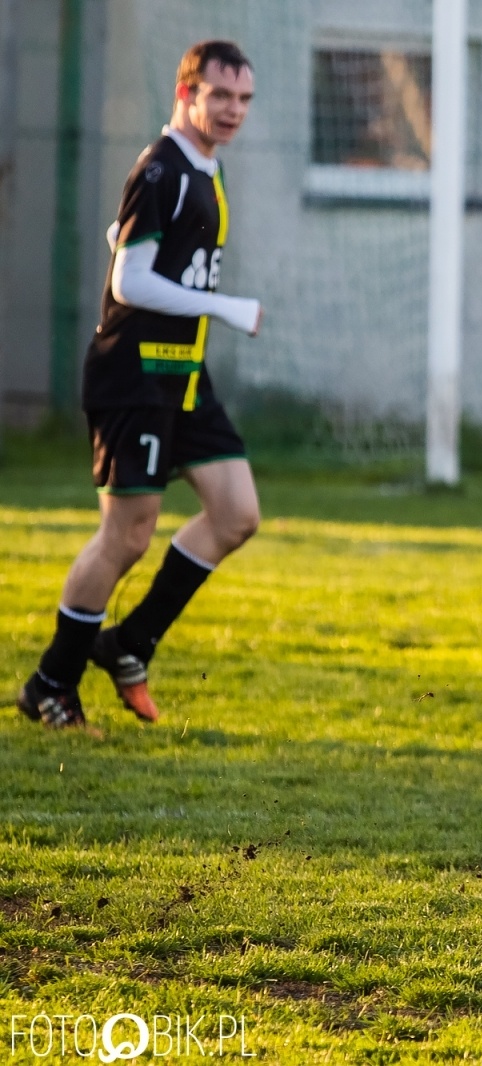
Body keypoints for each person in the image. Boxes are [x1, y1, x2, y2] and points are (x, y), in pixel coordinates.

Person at [17, 41, 263, 731]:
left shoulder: (200, 168)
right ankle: (50, 685)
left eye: (243, 99)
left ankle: (128, 643)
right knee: (126, 536)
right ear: (186, 94)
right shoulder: (163, 168)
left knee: (237, 514)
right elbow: (129, 280)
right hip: (134, 375)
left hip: (183, 375)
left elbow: (134, 251)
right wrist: (225, 307)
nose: (233, 110)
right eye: (220, 96)